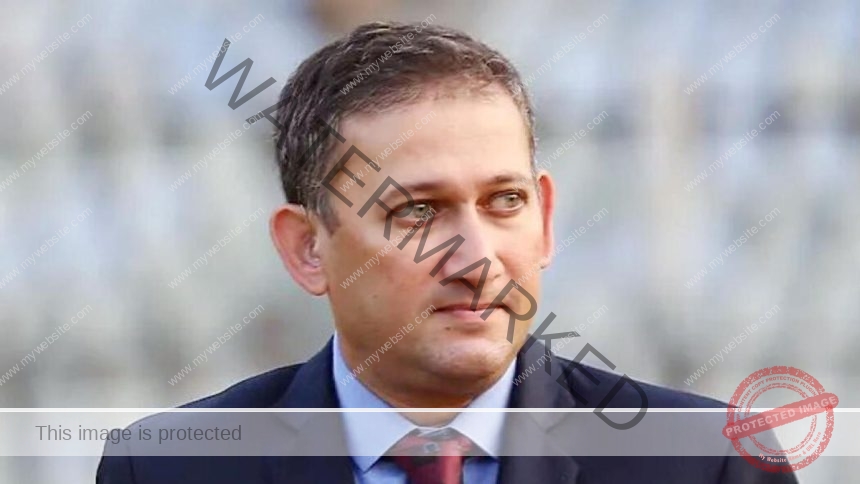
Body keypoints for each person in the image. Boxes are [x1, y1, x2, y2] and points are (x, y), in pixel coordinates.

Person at [97, 21, 798, 483]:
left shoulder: (709, 463)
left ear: (546, 220)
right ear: (308, 248)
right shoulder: (171, 470)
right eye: (417, 212)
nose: (476, 258)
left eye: (505, 202)